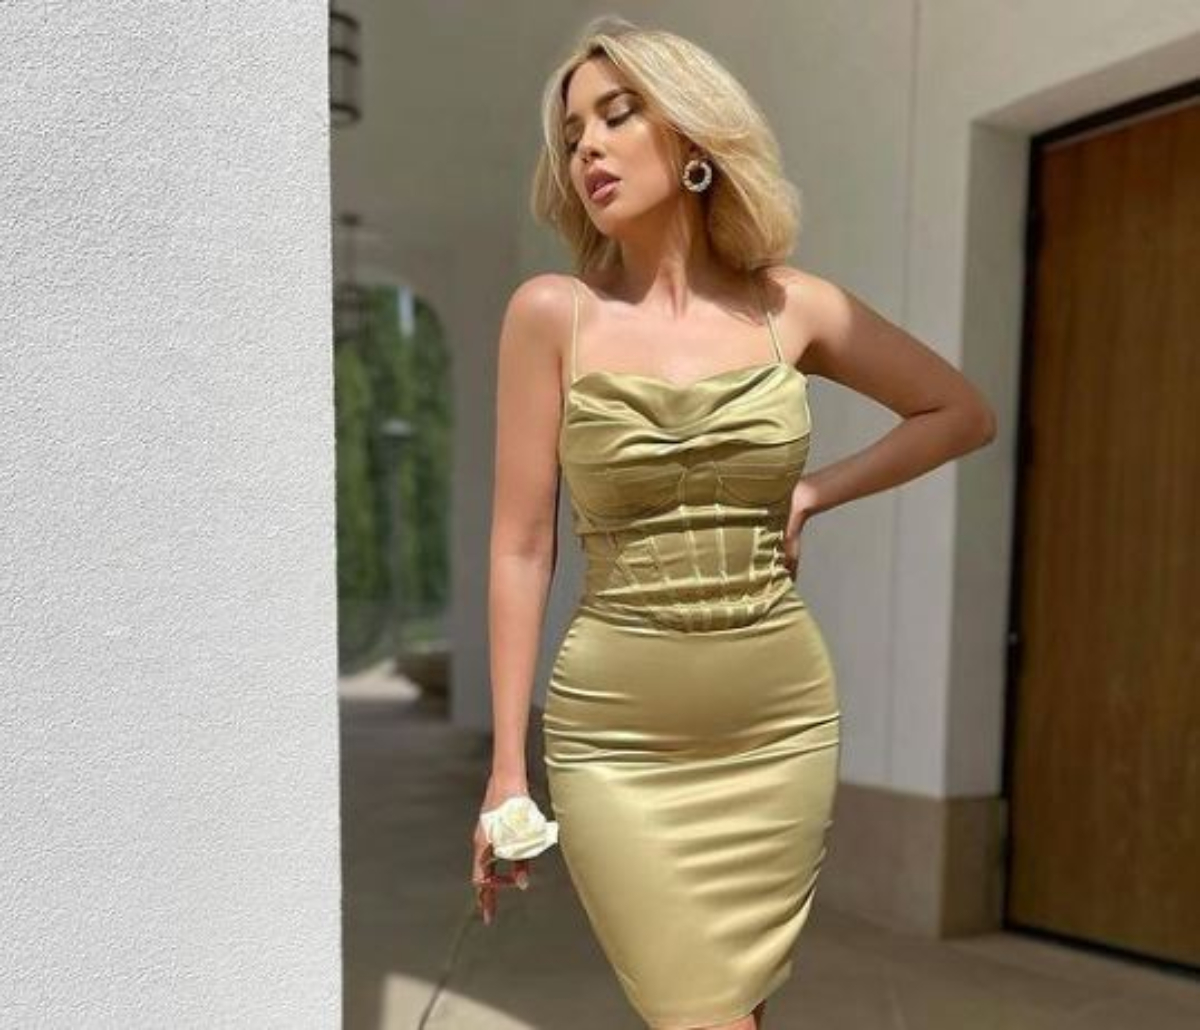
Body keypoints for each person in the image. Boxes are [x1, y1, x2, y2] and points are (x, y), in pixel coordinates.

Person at [471, 15, 996, 1030]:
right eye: (572, 134)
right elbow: (521, 545)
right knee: (698, 1012)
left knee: (735, 1008)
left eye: (618, 115)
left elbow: (959, 412)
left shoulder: (791, 309)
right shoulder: (551, 314)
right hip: (617, 735)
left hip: (775, 722)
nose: (588, 148)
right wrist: (505, 771)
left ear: (693, 136)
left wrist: (814, 490)